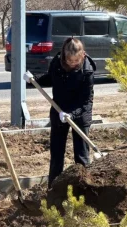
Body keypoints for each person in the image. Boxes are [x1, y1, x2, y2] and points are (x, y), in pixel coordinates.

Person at [23, 38, 96, 188]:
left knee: (81, 156)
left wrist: (72, 114)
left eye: (76, 60)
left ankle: (83, 189)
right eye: (70, 60)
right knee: (56, 154)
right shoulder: (57, 63)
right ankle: (54, 188)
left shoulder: (87, 70)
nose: (72, 63)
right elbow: (51, 78)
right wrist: (34, 80)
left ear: (82, 55)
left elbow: (85, 101)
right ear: (64, 56)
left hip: (80, 114)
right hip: (58, 109)